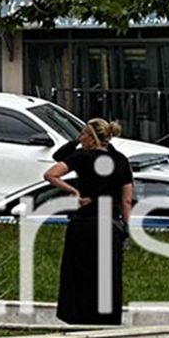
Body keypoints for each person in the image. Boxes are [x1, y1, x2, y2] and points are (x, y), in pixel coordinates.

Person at [44, 118, 134, 325]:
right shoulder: (120, 160)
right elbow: (126, 198)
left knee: (79, 272)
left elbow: (51, 174)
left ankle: (77, 315)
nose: (79, 138)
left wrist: (73, 190)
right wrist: (126, 226)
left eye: (83, 134)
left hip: (84, 222)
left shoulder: (81, 158)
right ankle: (106, 317)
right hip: (109, 224)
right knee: (107, 274)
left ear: (92, 139)